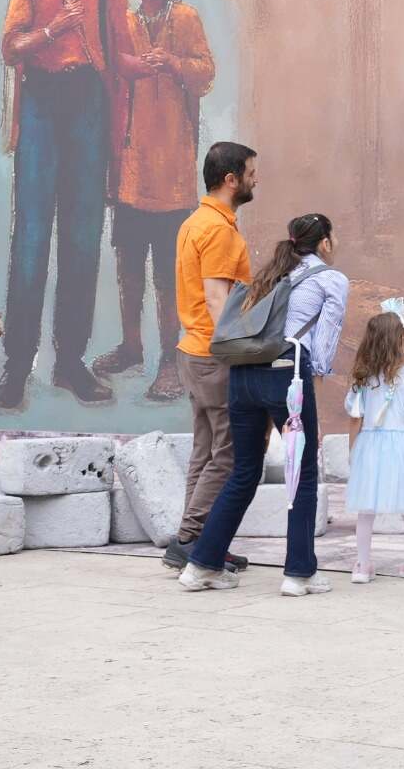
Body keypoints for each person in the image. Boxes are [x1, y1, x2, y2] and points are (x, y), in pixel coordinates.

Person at [0, 0, 144, 410]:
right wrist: (52, 31)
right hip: (40, 102)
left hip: (87, 101)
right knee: (31, 235)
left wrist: (131, 97)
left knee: (82, 237)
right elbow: (10, 45)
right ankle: (16, 366)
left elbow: (117, 31)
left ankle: (70, 362)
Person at [179, 214, 348, 595]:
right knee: (301, 473)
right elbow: (326, 335)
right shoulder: (329, 279)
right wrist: (315, 373)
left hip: (242, 377)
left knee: (243, 471)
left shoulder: (270, 275)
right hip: (286, 373)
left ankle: (201, 565)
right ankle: (299, 573)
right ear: (325, 243)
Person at [91, 0, 217, 401]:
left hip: (173, 172)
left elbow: (206, 72)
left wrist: (174, 63)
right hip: (130, 169)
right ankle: (131, 346)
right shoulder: (123, 21)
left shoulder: (184, 18)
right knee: (127, 263)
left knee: (169, 271)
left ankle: (170, 356)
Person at [160, 142, 256, 572]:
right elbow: (219, 300)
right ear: (231, 179)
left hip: (192, 351)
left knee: (205, 451)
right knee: (230, 454)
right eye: (251, 172)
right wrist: (245, 352)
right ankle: (193, 541)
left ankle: (195, 538)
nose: (256, 179)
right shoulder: (218, 229)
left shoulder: (194, 222)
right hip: (214, 355)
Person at [345, 309, 404, 585]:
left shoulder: (362, 380)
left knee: (365, 509)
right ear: (399, 342)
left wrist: (352, 450)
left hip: (369, 444)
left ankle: (362, 564)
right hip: (403, 444)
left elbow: (355, 418)